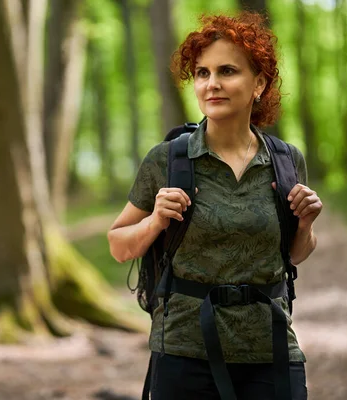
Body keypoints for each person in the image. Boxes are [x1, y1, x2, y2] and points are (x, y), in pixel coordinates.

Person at [107, 11, 323, 400]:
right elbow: (119, 245)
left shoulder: (286, 160)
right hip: (184, 349)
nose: (212, 84)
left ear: (258, 83)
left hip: (270, 345)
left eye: (227, 71)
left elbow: (293, 254)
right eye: (202, 73)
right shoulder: (167, 160)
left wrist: (305, 225)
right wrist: (156, 220)